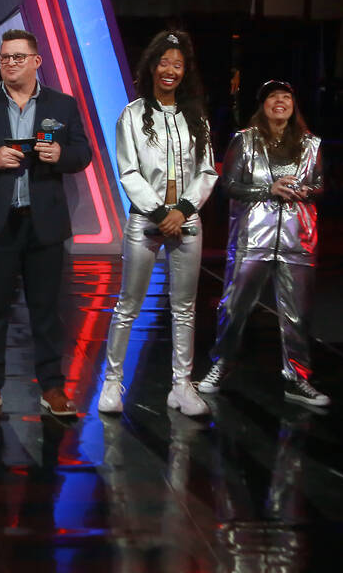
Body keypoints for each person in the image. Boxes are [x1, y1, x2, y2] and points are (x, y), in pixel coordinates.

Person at [0, 29, 93, 419]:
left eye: (18, 57)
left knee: (46, 311)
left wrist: (60, 153)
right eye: (5, 57)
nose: (10, 63)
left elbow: (83, 153)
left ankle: (52, 388)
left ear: (36, 61)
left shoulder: (61, 105)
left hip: (43, 222)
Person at [100, 30, 217, 417]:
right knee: (128, 304)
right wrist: (159, 213)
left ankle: (181, 385)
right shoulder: (132, 115)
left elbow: (207, 171)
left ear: (186, 71)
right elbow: (128, 170)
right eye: (164, 62)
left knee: (184, 307)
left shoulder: (196, 117)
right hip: (145, 221)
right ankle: (113, 384)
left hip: (186, 220)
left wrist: (182, 210)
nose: (170, 70)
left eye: (178, 64)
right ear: (151, 66)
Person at [197, 80, 330, 407]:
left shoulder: (311, 144)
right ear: (263, 105)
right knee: (234, 305)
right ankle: (222, 362)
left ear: (294, 105)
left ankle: (297, 378)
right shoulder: (245, 141)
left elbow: (319, 185)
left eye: (286, 96)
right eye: (273, 97)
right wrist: (268, 190)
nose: (280, 102)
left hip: (297, 239)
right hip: (253, 237)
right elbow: (228, 186)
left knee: (297, 314)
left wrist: (304, 191)